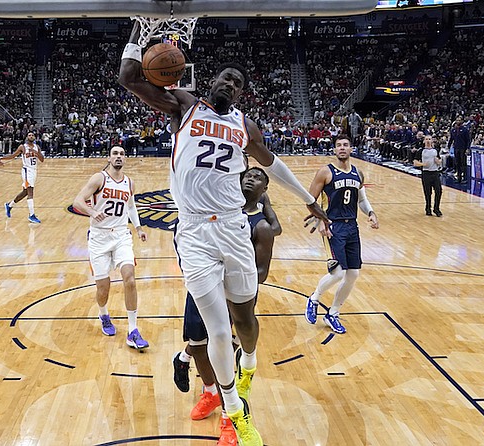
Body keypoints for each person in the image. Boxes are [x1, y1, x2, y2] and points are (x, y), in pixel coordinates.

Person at [119, 22, 328, 445]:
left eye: (238, 83)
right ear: (209, 80)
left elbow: (272, 165)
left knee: (245, 320)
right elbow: (128, 77)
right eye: (225, 78)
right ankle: (235, 411)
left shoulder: (245, 128)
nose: (230, 84)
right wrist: (139, 31)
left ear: (240, 94)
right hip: (194, 232)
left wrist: (308, 199)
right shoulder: (184, 105)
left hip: (235, 228)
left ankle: (248, 363)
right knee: (216, 330)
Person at [172, 167, 278, 446]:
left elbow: (260, 272)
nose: (249, 180)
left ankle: (231, 420)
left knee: (226, 349)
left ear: (264, 190)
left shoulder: (261, 225)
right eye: (246, 176)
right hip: (203, 278)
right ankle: (208, 391)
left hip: (233, 294)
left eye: (257, 178)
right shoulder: (207, 207)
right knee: (198, 344)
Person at [72, 145, 150, 350]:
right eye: (115, 153)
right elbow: (77, 201)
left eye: (122, 154)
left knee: (130, 279)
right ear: (109, 157)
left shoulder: (129, 182)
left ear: (125, 159)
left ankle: (133, 330)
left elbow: (131, 207)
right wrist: (91, 211)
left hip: (122, 235)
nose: (119, 157)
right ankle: (103, 314)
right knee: (103, 288)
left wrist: (139, 228)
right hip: (99, 238)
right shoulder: (99, 178)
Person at [304, 135, 379, 334]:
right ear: (334, 150)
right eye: (339, 145)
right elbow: (310, 200)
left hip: (352, 227)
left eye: (345, 145)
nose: (342, 148)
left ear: (351, 149)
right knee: (338, 273)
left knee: (353, 274)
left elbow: (361, 200)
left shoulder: (358, 173)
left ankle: (333, 313)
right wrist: (320, 219)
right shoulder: (325, 172)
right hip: (332, 226)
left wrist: (370, 213)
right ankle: (314, 298)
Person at [1, 132, 45, 224]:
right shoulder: (23, 147)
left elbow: (42, 159)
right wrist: (2, 158)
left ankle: (9, 205)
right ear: (26, 137)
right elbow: (13, 156)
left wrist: (36, 153)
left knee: (25, 192)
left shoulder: (37, 147)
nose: (31, 136)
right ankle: (31, 215)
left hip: (34, 171)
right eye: (29, 135)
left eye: (32, 135)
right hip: (26, 171)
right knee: (30, 192)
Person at [414, 135, 442, 217]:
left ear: (432, 141)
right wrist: (423, 164)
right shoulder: (421, 151)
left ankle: (436, 208)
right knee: (427, 192)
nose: (428, 141)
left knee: (438, 191)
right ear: (424, 141)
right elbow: (415, 162)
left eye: (429, 139)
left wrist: (438, 161)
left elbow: (439, 161)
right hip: (426, 173)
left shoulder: (435, 150)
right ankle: (428, 208)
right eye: (426, 139)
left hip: (435, 173)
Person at [448, 118, 470, 183]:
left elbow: (468, 140)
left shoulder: (465, 130)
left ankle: (465, 178)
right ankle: (459, 178)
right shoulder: (453, 130)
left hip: (463, 148)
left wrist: (467, 148)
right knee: (457, 163)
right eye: (457, 120)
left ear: (462, 121)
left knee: (463, 163)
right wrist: (448, 146)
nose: (458, 121)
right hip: (456, 148)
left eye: (459, 120)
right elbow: (451, 139)